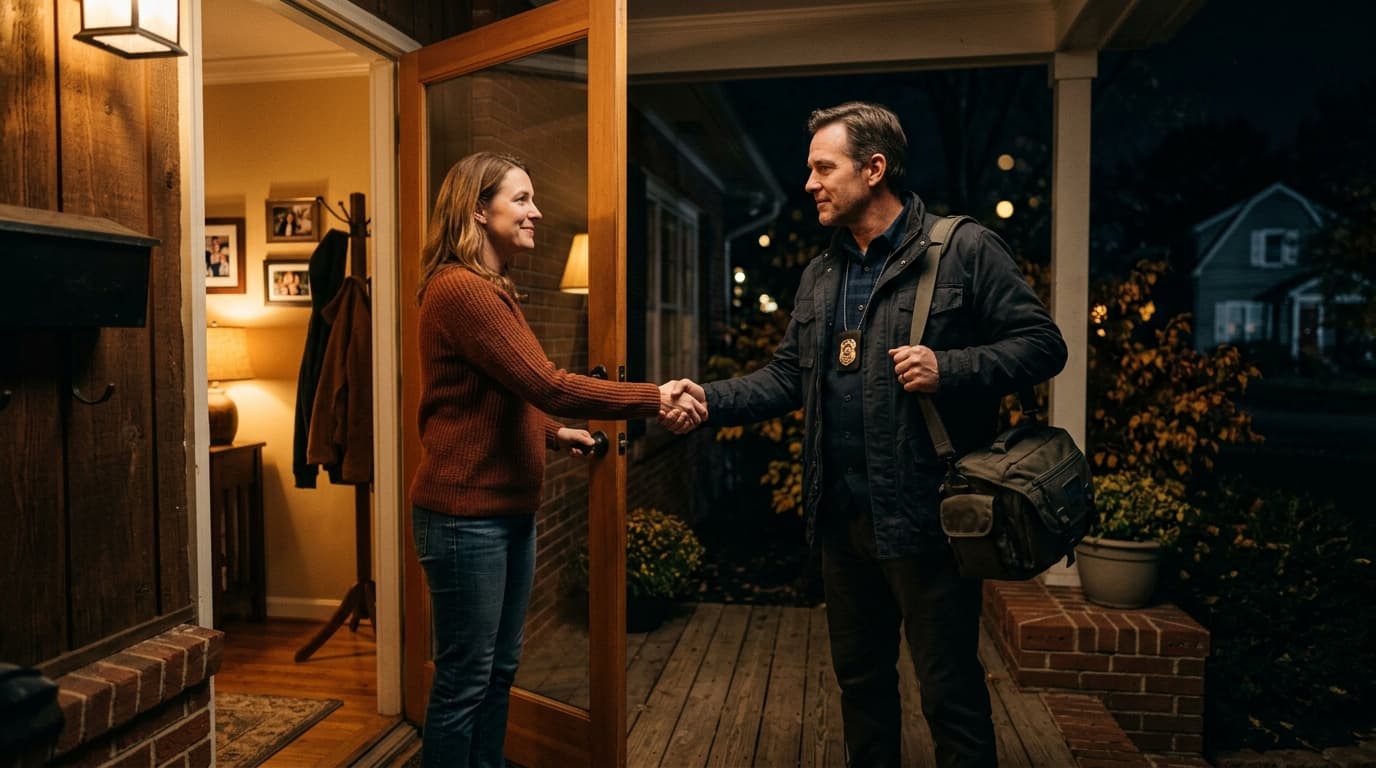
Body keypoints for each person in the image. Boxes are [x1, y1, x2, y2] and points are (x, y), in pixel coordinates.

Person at [667, 102, 1067, 767]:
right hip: (843, 523)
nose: (810, 184)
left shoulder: (962, 249)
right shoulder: (822, 276)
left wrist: (954, 367)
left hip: (929, 522)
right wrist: (705, 398)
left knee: (950, 693)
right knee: (861, 686)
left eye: (824, 168)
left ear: (874, 168)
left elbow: (1043, 345)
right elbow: (788, 379)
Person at [409, 151, 704, 768]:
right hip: (467, 519)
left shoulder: (491, 290)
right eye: (520, 198)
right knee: (466, 680)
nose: (535, 210)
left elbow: (502, 396)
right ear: (476, 210)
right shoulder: (462, 291)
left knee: (497, 672)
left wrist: (552, 434)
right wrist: (654, 396)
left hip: (506, 512)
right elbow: (547, 383)